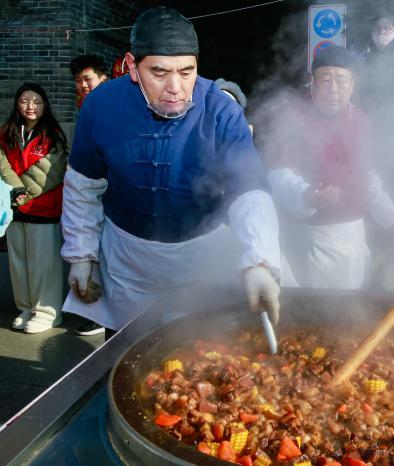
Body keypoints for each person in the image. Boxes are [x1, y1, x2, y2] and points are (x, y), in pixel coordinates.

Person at [61, 7, 281, 332]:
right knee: (128, 353)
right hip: (128, 259)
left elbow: (248, 189)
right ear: (132, 67)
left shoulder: (221, 110)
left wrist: (259, 260)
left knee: (196, 351)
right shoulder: (100, 105)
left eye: (187, 71)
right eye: (160, 73)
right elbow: (84, 185)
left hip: (200, 256)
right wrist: (82, 256)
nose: (175, 86)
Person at [264, 45, 394, 289]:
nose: (334, 89)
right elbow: (278, 175)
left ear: (353, 85)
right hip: (310, 240)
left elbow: (368, 177)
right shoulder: (291, 116)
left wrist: (392, 216)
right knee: (315, 316)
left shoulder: (362, 120)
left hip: (354, 237)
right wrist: (307, 196)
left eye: (341, 80)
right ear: (311, 82)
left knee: (355, 314)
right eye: (326, 79)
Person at [0, 83, 68, 333]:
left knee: (44, 264)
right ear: (17, 104)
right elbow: (2, 163)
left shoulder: (53, 134)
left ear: (44, 106)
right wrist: (15, 192)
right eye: (25, 101)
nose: (31, 106)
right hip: (14, 208)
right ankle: (26, 307)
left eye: (37, 102)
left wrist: (21, 193)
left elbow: (51, 172)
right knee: (19, 263)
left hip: (43, 207)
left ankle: (48, 312)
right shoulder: (7, 132)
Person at [69, 54, 110, 336]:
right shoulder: (84, 106)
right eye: (78, 81)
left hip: (107, 189)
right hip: (85, 186)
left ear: (103, 77)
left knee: (106, 256)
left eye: (88, 79)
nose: (83, 85)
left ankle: (101, 315)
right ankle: (95, 310)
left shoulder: (112, 106)